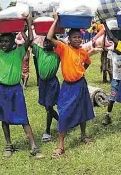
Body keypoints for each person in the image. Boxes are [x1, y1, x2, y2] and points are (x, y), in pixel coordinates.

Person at [0, 17, 44, 158]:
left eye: (6, 41)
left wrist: (24, 25)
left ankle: (33, 146)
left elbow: (30, 40)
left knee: (23, 117)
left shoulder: (18, 52)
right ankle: (9, 144)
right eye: (1, 41)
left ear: (14, 42)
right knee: (4, 117)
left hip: (16, 90)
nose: (3, 44)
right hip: (2, 90)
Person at [47, 13, 95, 158]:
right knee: (64, 112)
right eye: (74, 37)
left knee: (83, 109)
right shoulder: (63, 48)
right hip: (68, 86)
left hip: (80, 84)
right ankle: (61, 145)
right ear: (69, 39)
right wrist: (56, 20)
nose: (78, 39)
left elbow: (87, 62)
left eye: (79, 37)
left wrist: (80, 72)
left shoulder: (83, 52)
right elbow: (49, 38)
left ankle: (83, 135)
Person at [31, 36, 60, 142]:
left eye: (49, 41)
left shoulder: (57, 54)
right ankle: (61, 121)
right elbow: (29, 41)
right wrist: (24, 26)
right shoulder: (39, 51)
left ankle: (47, 131)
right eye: (45, 41)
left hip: (52, 83)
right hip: (42, 83)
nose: (46, 43)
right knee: (48, 108)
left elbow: (65, 45)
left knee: (49, 107)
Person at [102, 49, 121, 125]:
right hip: (115, 80)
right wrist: (111, 75)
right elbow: (109, 65)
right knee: (112, 99)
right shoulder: (111, 53)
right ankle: (108, 115)